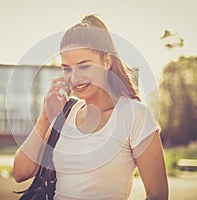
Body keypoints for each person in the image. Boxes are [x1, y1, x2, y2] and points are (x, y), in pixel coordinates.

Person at [13, 14, 168, 200]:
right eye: (67, 68)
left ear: (107, 62)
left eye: (84, 66)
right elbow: (20, 173)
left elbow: (157, 195)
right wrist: (44, 118)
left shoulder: (135, 115)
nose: (75, 77)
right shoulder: (66, 114)